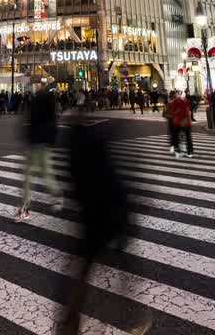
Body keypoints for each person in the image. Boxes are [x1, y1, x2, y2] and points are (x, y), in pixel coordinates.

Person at [60, 119, 150, 335]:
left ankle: (71, 320)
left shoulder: (76, 155)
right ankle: (131, 315)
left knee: (85, 268)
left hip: (93, 217)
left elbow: (75, 188)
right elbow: (120, 180)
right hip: (114, 214)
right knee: (122, 262)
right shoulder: (100, 151)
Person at [16, 87, 63, 221]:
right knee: (47, 172)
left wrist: (25, 139)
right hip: (44, 144)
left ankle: (25, 208)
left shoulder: (35, 104)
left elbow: (29, 124)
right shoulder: (50, 106)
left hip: (33, 143)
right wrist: (52, 141)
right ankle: (57, 194)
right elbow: (54, 126)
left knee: (28, 177)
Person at [166, 91, 193, 158]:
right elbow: (189, 109)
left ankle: (178, 152)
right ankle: (190, 153)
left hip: (178, 122)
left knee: (175, 137)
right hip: (186, 122)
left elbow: (171, 111)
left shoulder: (174, 102)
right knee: (188, 137)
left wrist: (174, 114)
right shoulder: (186, 101)